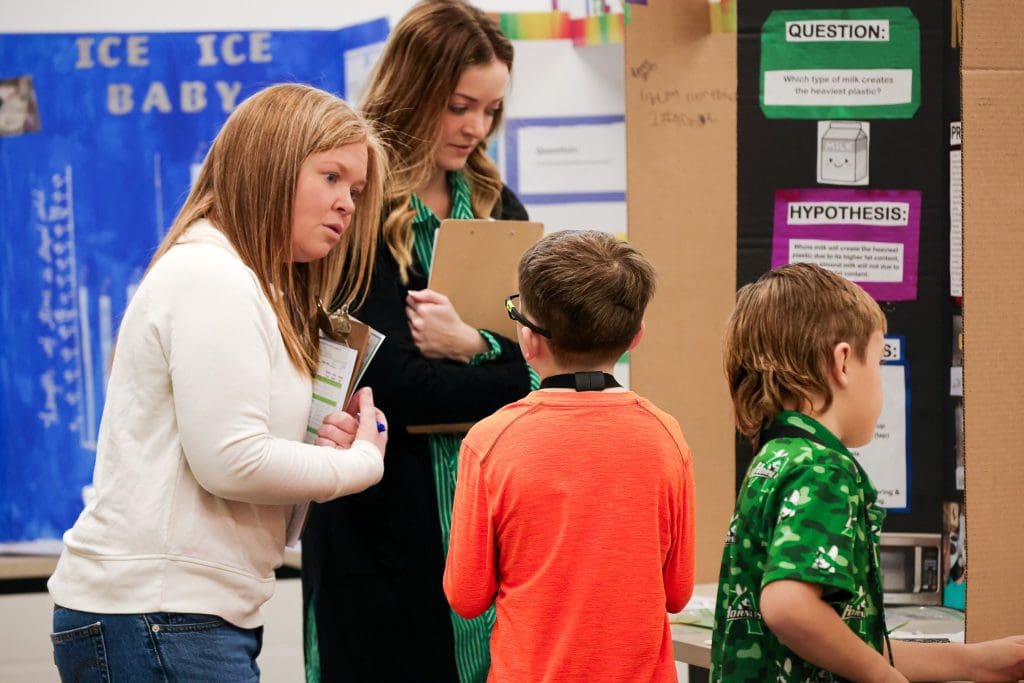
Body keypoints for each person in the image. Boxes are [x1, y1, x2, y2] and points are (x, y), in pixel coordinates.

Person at [47, 83, 390, 682]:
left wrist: (312, 453)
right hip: (159, 613)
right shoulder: (213, 275)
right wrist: (359, 463)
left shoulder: (245, 281)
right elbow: (231, 462)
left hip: (176, 615)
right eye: (331, 177)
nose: (347, 204)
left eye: (355, 191)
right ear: (271, 164)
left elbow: (231, 453)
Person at [300, 2, 536, 681]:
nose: (475, 127)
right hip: (379, 528)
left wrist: (473, 344)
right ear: (414, 90)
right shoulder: (354, 210)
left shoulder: (497, 205)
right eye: (460, 105)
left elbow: (544, 372)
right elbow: (389, 390)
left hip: (488, 514)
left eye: (490, 110)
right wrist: (505, 364)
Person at [711, 262, 1024, 682]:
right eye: (878, 360)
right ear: (843, 363)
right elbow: (788, 607)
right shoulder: (824, 469)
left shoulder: (775, 459)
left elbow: (841, 643)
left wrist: (984, 662)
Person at [443, 229, 697, 681]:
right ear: (637, 336)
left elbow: (466, 596)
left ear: (528, 337)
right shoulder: (665, 436)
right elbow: (677, 594)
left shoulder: (491, 442)